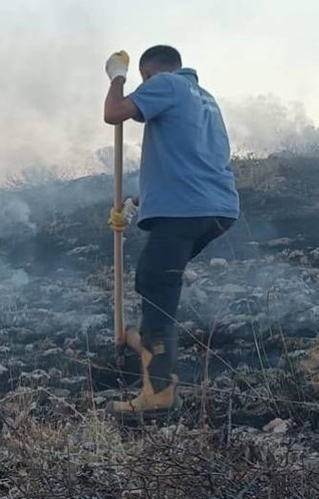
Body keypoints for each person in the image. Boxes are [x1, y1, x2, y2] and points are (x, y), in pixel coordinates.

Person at [102, 45, 239, 416]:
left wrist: (117, 77)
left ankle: (159, 393)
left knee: (156, 285)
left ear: (149, 74)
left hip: (186, 212)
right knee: (158, 282)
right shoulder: (205, 98)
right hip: (216, 209)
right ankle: (146, 348)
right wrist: (136, 203)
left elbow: (114, 113)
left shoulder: (164, 84)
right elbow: (187, 163)